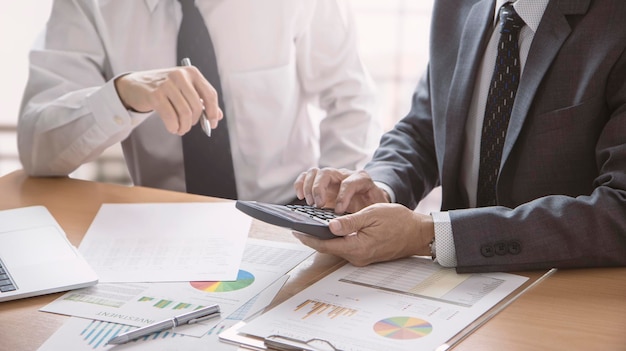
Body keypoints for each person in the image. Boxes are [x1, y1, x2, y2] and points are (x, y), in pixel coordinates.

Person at [293, 0, 626, 273]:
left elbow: (619, 210)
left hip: (561, 288)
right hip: (451, 287)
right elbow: (425, 128)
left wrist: (430, 235)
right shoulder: (456, 7)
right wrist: (380, 188)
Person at [17, 0, 381, 204]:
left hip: (288, 211)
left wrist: (333, 200)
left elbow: (350, 100)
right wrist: (121, 94)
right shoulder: (88, 5)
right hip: (162, 220)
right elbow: (37, 150)